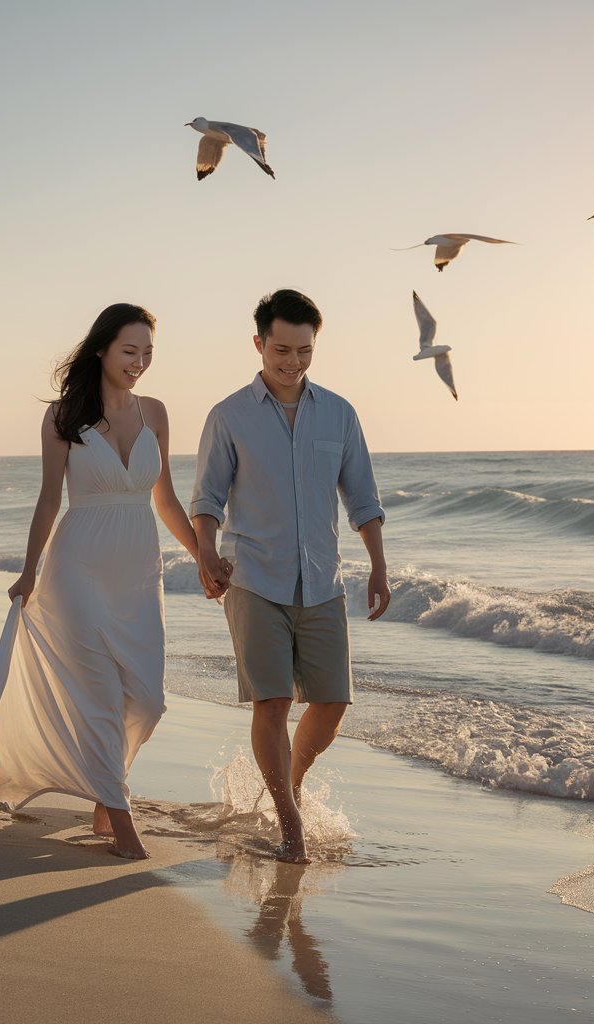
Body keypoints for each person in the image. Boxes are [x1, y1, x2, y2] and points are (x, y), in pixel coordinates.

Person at [0, 303, 228, 860]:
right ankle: (122, 819)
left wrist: (204, 557)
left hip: (139, 571)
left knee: (148, 699)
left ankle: (105, 783)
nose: (139, 363)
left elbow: (164, 500)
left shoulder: (156, 413)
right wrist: (29, 569)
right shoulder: (63, 416)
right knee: (98, 699)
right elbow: (48, 500)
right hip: (77, 568)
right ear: (101, 350)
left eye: (147, 353)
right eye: (128, 351)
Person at [190, 288, 389, 864]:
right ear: (259, 344)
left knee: (331, 704)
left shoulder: (339, 413)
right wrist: (206, 552)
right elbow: (206, 497)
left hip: (322, 580)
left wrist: (378, 565)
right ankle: (290, 824)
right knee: (272, 702)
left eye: (304, 350)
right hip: (254, 577)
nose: (293, 362)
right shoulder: (229, 416)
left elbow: (363, 498)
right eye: (281, 349)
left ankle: (289, 790)